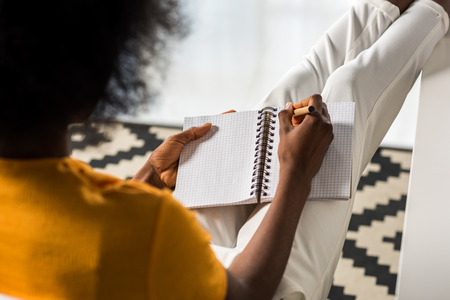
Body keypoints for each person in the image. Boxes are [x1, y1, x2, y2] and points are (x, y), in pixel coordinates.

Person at [0, 0, 448, 300]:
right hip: (244, 286)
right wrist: (295, 174)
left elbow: (91, 231)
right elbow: (248, 291)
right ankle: (436, 11)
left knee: (280, 106)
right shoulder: (143, 229)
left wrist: (150, 177)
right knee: (346, 101)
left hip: (158, 274)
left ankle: (385, 8)